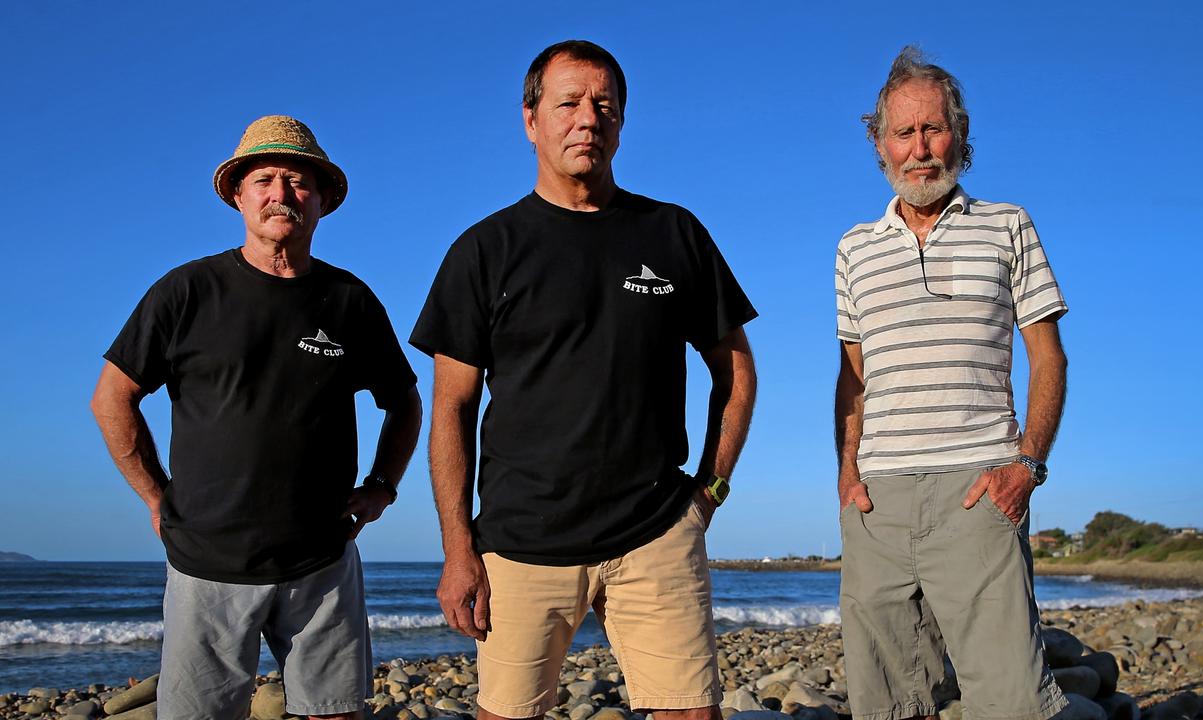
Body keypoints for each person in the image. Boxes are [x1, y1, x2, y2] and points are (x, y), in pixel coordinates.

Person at [411, 40, 757, 720]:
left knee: (692, 712)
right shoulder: (485, 249)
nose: (587, 119)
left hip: (654, 530)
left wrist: (708, 492)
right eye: (568, 102)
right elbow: (450, 408)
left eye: (605, 105)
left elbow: (735, 371)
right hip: (520, 540)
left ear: (622, 124)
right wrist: (458, 551)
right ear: (531, 118)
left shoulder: (673, 233)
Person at [90, 115, 422, 720]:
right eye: (264, 178)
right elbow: (113, 396)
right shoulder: (186, 291)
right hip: (207, 563)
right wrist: (154, 496)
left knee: (335, 713)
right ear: (239, 195)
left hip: (321, 558)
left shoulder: (349, 300)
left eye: (297, 181)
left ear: (321, 199)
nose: (281, 193)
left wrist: (382, 486)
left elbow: (404, 400)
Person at [834, 47, 1070, 720]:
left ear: (958, 133)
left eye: (933, 128)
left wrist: (1027, 464)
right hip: (877, 502)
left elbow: (1048, 358)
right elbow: (852, 375)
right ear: (879, 143)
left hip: (977, 491)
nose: (919, 148)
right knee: (888, 700)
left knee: (1013, 699)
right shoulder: (854, 247)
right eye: (903, 133)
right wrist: (848, 477)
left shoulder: (1008, 225)